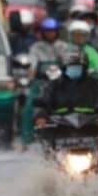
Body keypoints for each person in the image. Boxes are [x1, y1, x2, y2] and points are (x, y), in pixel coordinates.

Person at [21, 18, 68, 147]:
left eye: (52, 31)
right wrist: (32, 72)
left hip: (61, 82)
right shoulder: (36, 47)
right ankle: (27, 140)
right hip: (41, 82)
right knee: (29, 107)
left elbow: (67, 62)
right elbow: (32, 64)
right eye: (47, 31)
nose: (50, 34)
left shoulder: (63, 46)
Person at [33, 48, 98, 126]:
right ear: (64, 68)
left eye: (78, 66)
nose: (75, 68)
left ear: (84, 67)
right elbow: (41, 103)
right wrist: (40, 116)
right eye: (71, 66)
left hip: (90, 126)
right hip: (59, 128)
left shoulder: (94, 83)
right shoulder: (54, 84)